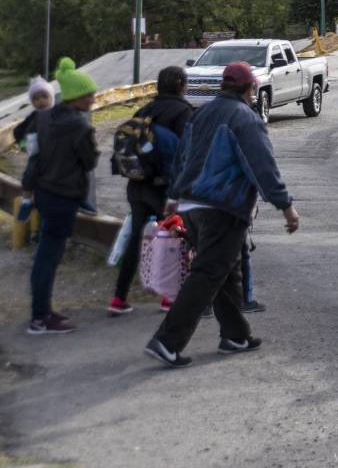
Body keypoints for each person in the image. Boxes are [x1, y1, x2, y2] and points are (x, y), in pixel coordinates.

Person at [145, 61, 300, 369]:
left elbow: (182, 158)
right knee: (207, 274)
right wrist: (286, 207)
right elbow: (261, 165)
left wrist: (174, 197)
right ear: (249, 89)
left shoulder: (199, 114)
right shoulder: (245, 118)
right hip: (222, 207)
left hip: (192, 206)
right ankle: (167, 341)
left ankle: (235, 335)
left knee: (225, 271)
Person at [109, 66, 194, 315]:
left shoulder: (145, 110)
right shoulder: (183, 112)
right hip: (165, 189)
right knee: (173, 240)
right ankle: (168, 297)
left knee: (136, 239)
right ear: (180, 84)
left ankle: (118, 298)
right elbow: (185, 155)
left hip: (137, 186)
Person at [23, 57, 99, 335]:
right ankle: (40, 317)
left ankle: (42, 311)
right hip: (65, 195)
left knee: (46, 253)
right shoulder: (80, 127)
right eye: (89, 94)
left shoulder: (42, 117)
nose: (93, 98)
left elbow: (33, 154)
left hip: (44, 192)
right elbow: (89, 163)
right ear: (77, 96)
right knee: (48, 257)